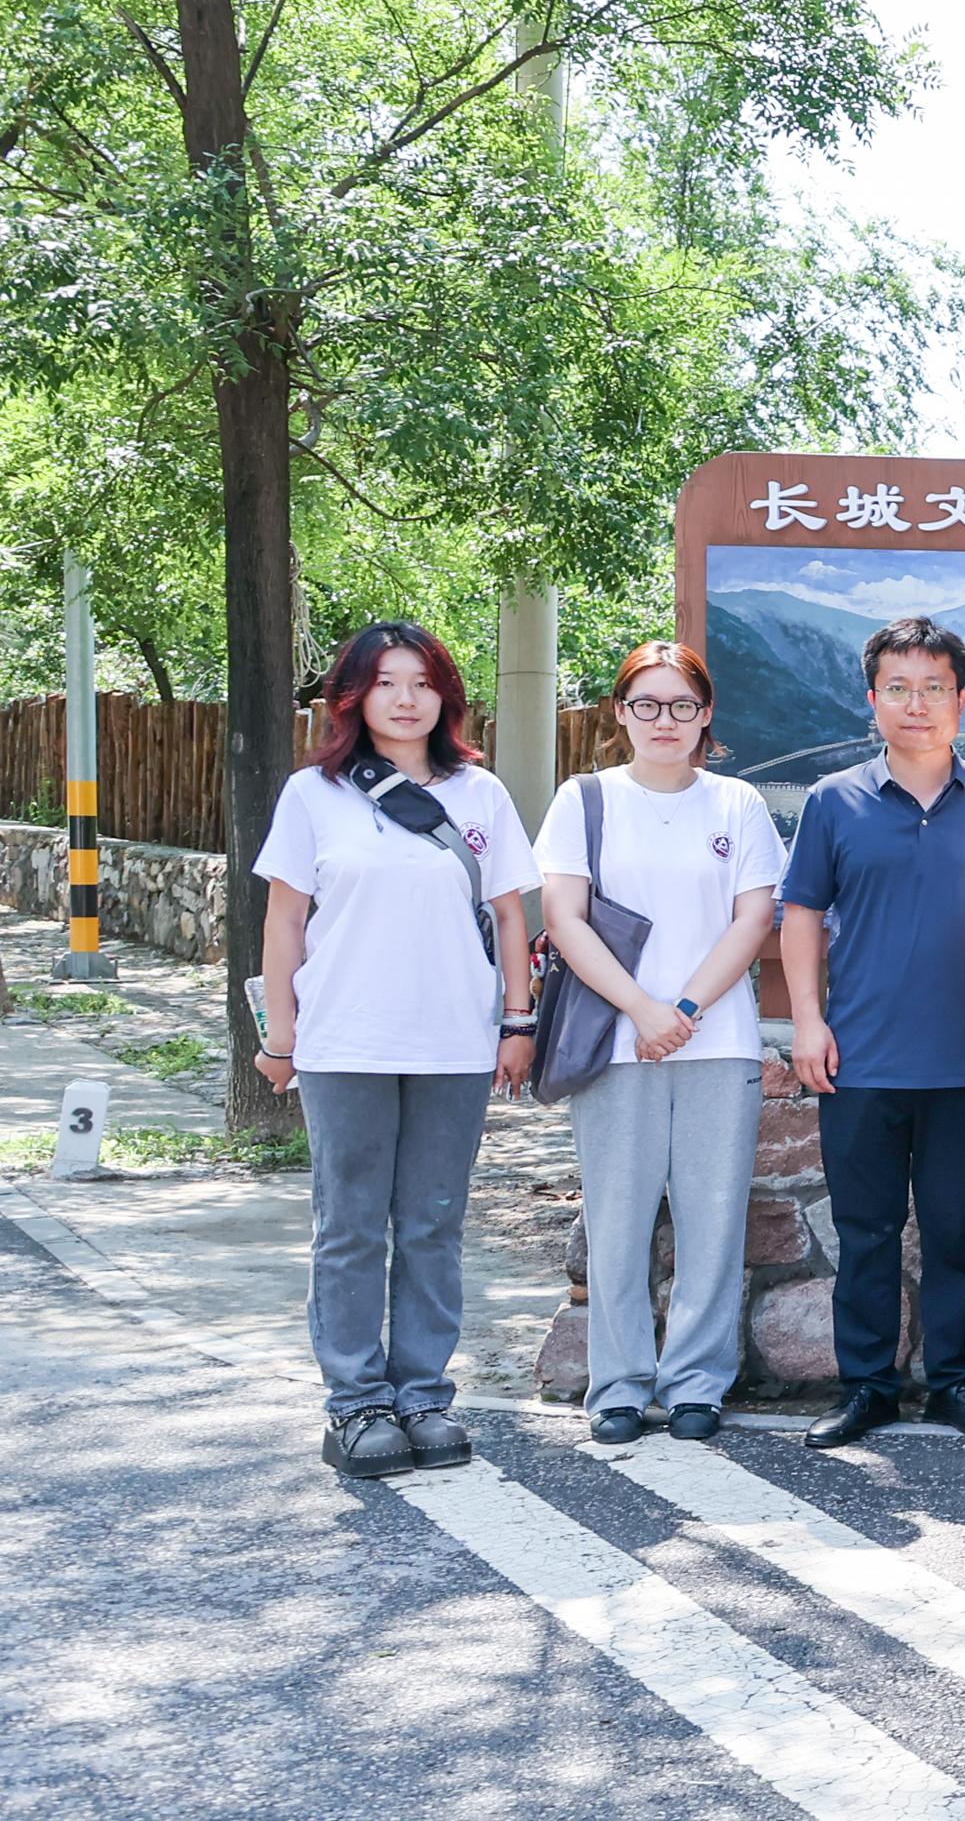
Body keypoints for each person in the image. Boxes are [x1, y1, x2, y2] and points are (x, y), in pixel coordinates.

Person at [253, 622, 539, 1479]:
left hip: (454, 1040)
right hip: (346, 1039)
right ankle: (356, 1402)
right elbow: (284, 919)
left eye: (422, 683)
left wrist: (517, 1021)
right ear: (353, 696)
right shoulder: (313, 794)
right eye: (385, 682)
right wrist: (280, 1034)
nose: (406, 699)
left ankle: (422, 1395)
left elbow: (510, 915)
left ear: (445, 696)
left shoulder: (480, 794)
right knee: (349, 1225)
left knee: (433, 1224)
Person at [780, 616, 965, 1449]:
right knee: (867, 1234)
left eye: (933, 688)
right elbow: (802, 914)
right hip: (860, 1058)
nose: (916, 704)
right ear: (872, 699)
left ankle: (956, 1383)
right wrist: (808, 1021)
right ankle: (867, 1388)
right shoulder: (834, 800)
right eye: (898, 688)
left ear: (961, 699)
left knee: (956, 1234)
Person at [536, 642, 785, 1447]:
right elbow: (564, 917)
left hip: (719, 1040)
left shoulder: (737, 803)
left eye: (682, 705)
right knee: (618, 1218)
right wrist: (642, 1010)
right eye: (646, 704)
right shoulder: (585, 800)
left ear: (705, 714)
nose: (664, 720)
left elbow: (753, 918)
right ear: (621, 712)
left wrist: (681, 1008)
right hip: (616, 1043)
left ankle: (696, 1384)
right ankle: (617, 1384)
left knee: (713, 1218)